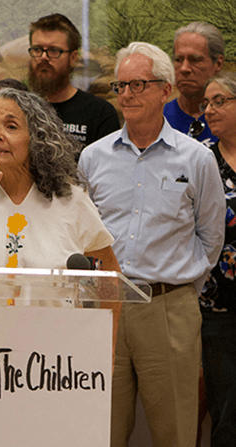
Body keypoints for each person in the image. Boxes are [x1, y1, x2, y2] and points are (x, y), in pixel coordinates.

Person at [78, 41, 226, 447]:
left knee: (175, 432)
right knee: (98, 430)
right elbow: (81, 233)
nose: (126, 94)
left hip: (168, 308)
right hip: (104, 307)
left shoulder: (196, 159)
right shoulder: (92, 158)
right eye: (120, 85)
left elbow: (211, 237)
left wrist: (179, 287)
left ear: (166, 91)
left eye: (138, 84)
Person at [0, 87, 121, 349]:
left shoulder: (71, 199)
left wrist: (106, 351)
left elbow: (110, 280)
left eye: (11, 127)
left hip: (55, 354)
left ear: (36, 137)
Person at [199, 71, 236, 446]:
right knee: (225, 410)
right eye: (206, 102)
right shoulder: (201, 159)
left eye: (220, 100)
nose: (210, 109)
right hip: (217, 306)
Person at [28, 13, 120, 151]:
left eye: (54, 50)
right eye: (37, 49)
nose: (43, 57)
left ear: (73, 57)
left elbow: (108, 169)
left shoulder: (99, 113)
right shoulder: (18, 108)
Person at [164, 22, 224, 146]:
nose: (184, 68)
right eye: (178, 60)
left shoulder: (230, 120)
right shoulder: (159, 119)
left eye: (195, 60)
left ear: (217, 64)